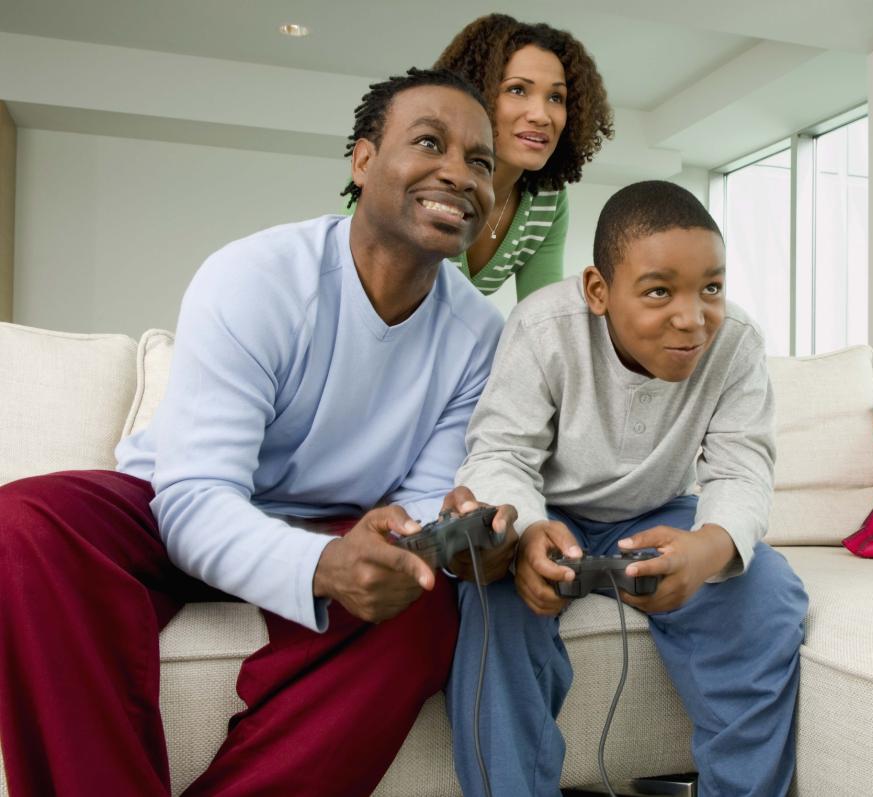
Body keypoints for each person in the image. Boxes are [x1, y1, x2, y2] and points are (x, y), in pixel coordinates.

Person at [0, 68, 518, 797]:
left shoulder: (480, 335)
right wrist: (320, 565)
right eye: (429, 142)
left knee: (427, 599)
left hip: (339, 522)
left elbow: (427, 498)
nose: (459, 174)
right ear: (363, 161)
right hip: (173, 503)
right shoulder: (257, 275)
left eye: (481, 162)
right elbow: (194, 497)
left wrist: (443, 533)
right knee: (23, 524)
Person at [448, 180, 810, 796]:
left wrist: (710, 548)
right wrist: (531, 532)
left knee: (769, 593)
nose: (693, 318)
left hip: (660, 510)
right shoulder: (542, 327)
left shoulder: (739, 342)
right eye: (659, 291)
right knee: (496, 605)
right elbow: (503, 452)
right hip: (549, 509)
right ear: (599, 290)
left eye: (712, 288)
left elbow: (742, 466)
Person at [430, 13, 614, 300]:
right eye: (517, 90)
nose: (541, 116)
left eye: (556, 98)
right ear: (475, 92)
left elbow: (542, 317)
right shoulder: (421, 172)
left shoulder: (547, 199)